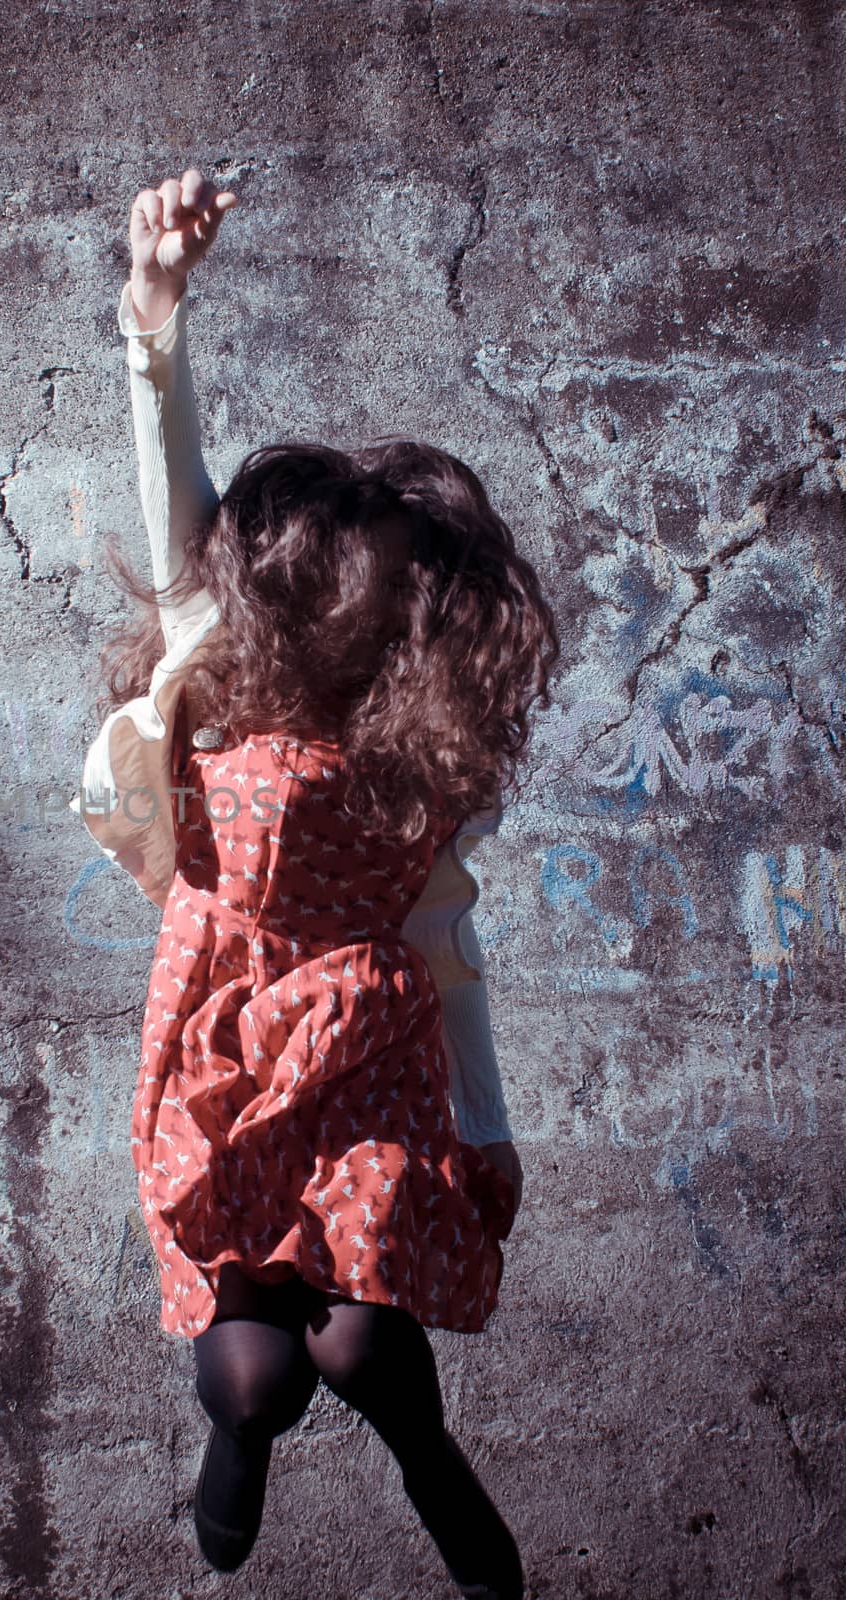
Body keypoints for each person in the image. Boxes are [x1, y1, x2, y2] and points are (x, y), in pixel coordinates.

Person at [72, 169, 561, 1598]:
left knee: (359, 1333)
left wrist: (485, 1126)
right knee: (254, 1365)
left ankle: (425, 1457)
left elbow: (445, 942)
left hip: (363, 1045)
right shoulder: (210, 679)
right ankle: (243, 1446)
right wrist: (156, 316)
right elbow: (176, 509)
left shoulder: (411, 769)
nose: (383, 613)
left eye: (401, 592)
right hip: (219, 1034)